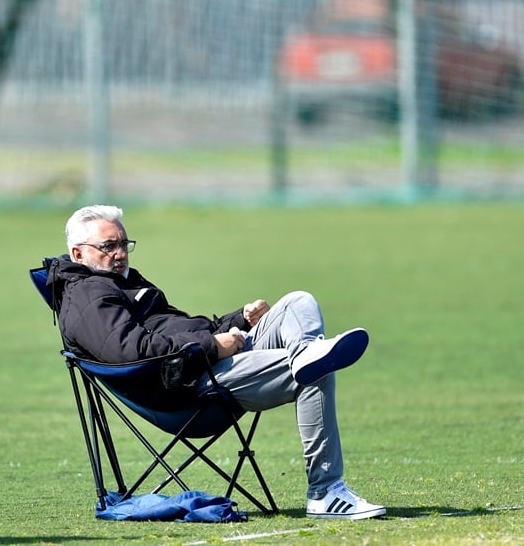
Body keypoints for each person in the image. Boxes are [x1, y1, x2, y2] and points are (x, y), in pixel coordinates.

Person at [47, 204, 386, 520]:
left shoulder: (122, 281)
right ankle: (325, 492)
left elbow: (177, 327)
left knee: (298, 303)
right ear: (78, 253)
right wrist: (210, 347)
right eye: (108, 246)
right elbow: (133, 351)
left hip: (205, 361)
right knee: (317, 366)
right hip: (188, 388)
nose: (120, 253)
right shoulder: (87, 297)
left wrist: (238, 320)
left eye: (123, 243)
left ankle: (306, 354)